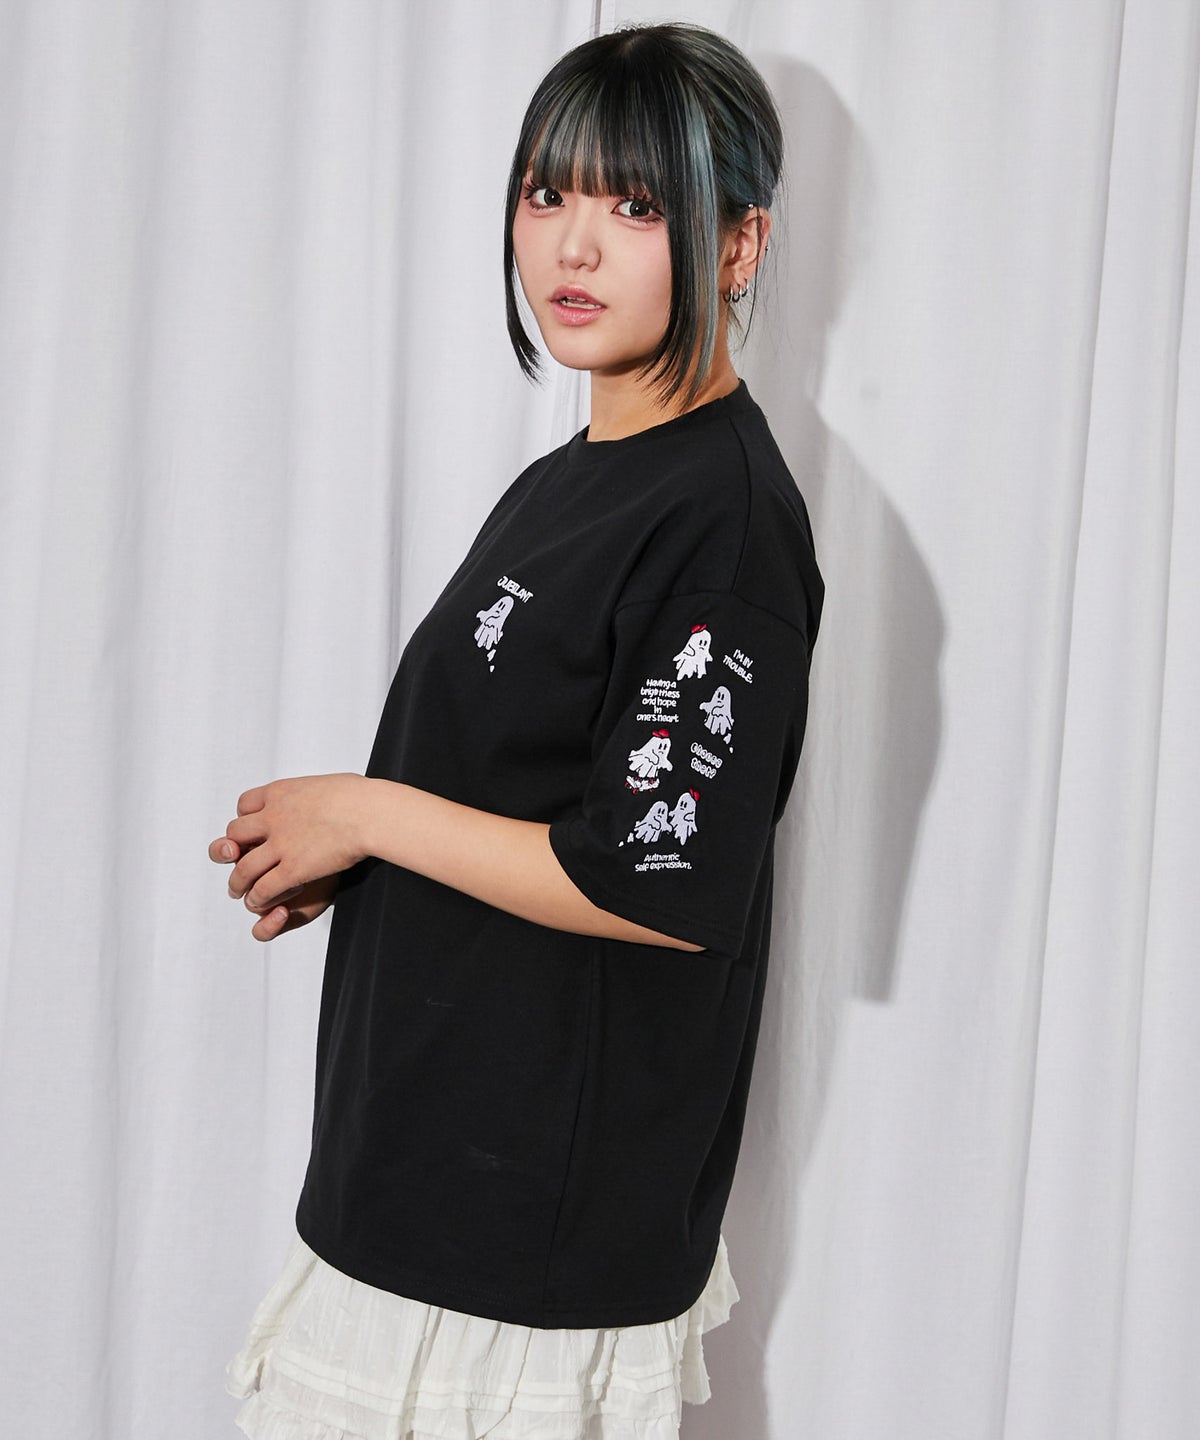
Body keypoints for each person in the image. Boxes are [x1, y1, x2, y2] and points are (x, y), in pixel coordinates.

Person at [213, 21, 824, 1440]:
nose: (574, 245)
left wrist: (366, 812)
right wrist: (363, 861)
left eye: (638, 205)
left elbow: (655, 881)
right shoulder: (582, 475)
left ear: (739, 245)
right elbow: (526, 786)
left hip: (522, 1240)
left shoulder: (723, 521)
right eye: (548, 193)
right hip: (423, 1170)